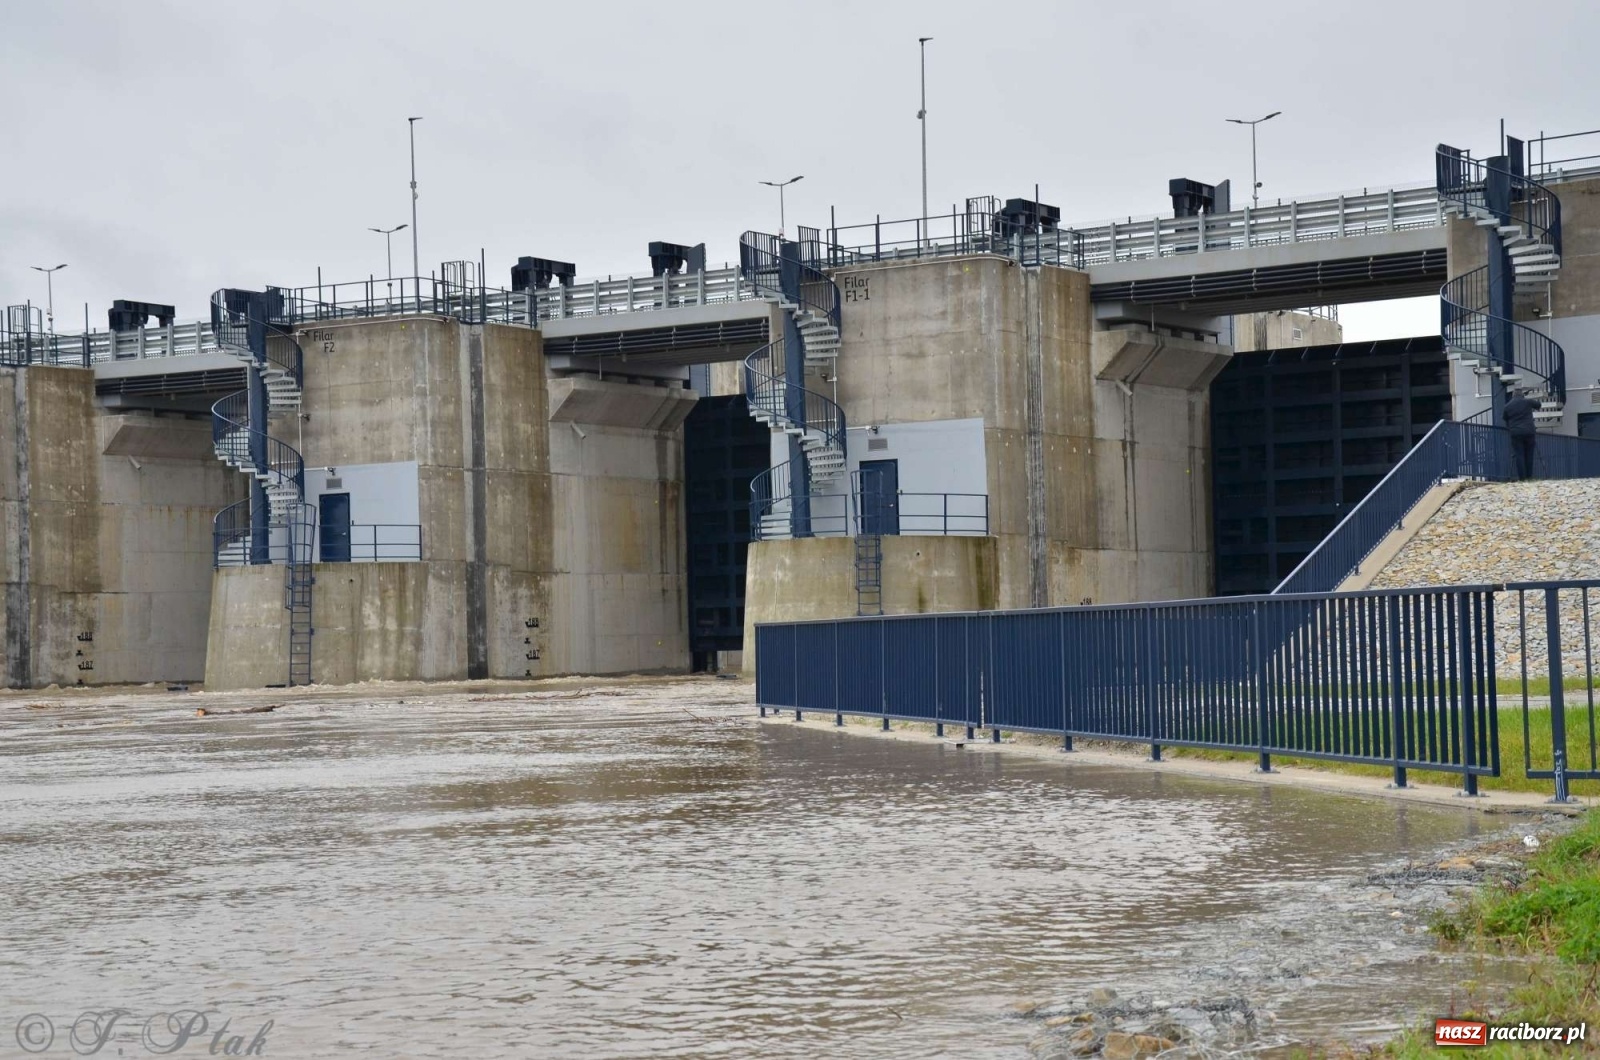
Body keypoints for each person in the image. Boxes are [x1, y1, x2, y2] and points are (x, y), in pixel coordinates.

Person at [1502, 386, 1538, 480]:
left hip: (1516, 432)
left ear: (1513, 396)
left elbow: (1505, 418)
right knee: (1529, 454)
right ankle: (1529, 476)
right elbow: (1538, 405)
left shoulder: (1507, 406)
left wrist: (1510, 427)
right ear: (1522, 395)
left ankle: (1522, 478)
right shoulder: (1527, 402)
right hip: (1529, 431)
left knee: (1519, 455)